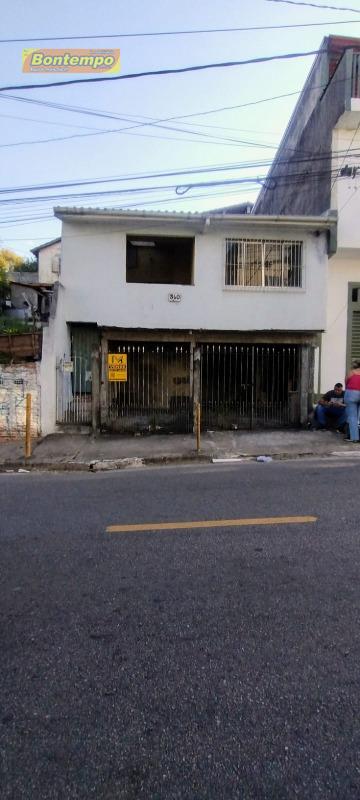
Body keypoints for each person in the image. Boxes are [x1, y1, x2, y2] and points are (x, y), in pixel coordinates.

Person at [344, 360, 360, 443]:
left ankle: (355, 438)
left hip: (352, 393)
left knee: (352, 417)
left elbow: (346, 382)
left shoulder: (352, 372)